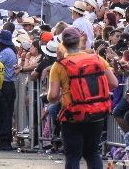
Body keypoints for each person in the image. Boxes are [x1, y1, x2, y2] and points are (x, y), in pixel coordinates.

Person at [48, 27, 117, 169]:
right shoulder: (97, 58)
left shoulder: (59, 65)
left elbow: (53, 96)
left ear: (62, 44)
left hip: (72, 115)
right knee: (92, 153)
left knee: (73, 156)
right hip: (96, 113)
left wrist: (54, 98)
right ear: (80, 41)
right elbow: (114, 83)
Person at [0, 29, 18, 150]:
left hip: (5, 84)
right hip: (10, 85)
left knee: (3, 113)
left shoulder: (5, 52)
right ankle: (6, 139)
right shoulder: (12, 51)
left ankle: (4, 140)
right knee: (7, 113)